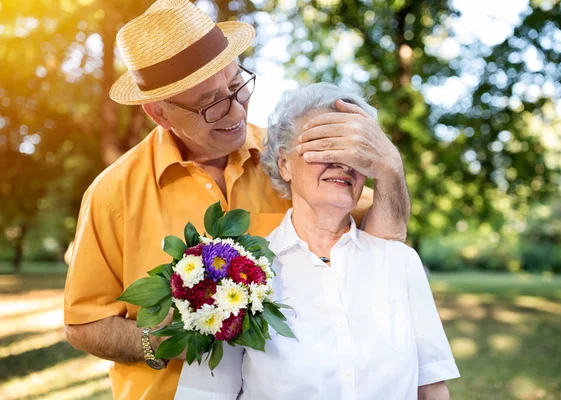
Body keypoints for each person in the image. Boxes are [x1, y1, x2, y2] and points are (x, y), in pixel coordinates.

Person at [63, 1, 411, 399]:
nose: (235, 111)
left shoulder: (288, 159)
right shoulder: (112, 195)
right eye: (210, 103)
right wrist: (160, 341)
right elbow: (83, 323)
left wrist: (391, 170)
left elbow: (384, 241)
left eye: (236, 86)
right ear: (159, 112)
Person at [175, 83, 459, 400]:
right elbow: (203, 394)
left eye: (354, 150)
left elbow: (431, 387)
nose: (341, 162)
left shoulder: (401, 263)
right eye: (323, 146)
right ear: (284, 164)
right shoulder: (238, 277)